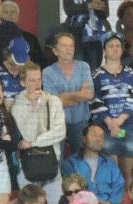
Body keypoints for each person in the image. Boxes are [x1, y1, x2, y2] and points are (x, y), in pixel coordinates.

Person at [11, 62, 66, 204]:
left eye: (39, 79)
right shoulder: (17, 105)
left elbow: (59, 132)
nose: (37, 84)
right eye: (32, 80)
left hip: (51, 163)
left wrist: (35, 143)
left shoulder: (53, 101)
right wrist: (34, 108)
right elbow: (28, 136)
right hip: (28, 166)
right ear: (23, 82)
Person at [89, 34, 133, 180]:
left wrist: (119, 120)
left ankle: (128, 194)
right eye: (110, 46)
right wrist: (110, 123)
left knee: (128, 172)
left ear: (122, 50)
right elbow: (94, 99)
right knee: (111, 171)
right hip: (105, 127)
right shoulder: (96, 75)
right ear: (104, 50)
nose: (115, 49)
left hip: (127, 126)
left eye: (118, 46)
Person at [43, 30, 94, 158]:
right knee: (57, 158)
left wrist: (63, 96)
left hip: (80, 120)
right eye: (64, 46)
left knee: (81, 158)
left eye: (71, 46)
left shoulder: (83, 67)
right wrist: (79, 95)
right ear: (55, 51)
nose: (69, 49)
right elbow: (52, 102)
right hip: (57, 121)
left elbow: (89, 95)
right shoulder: (48, 72)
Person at [61, 122, 123, 204]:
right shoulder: (70, 163)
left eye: (101, 136)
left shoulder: (110, 165)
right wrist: (94, 202)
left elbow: (118, 186)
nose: (98, 139)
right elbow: (70, 189)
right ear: (84, 139)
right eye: (94, 135)